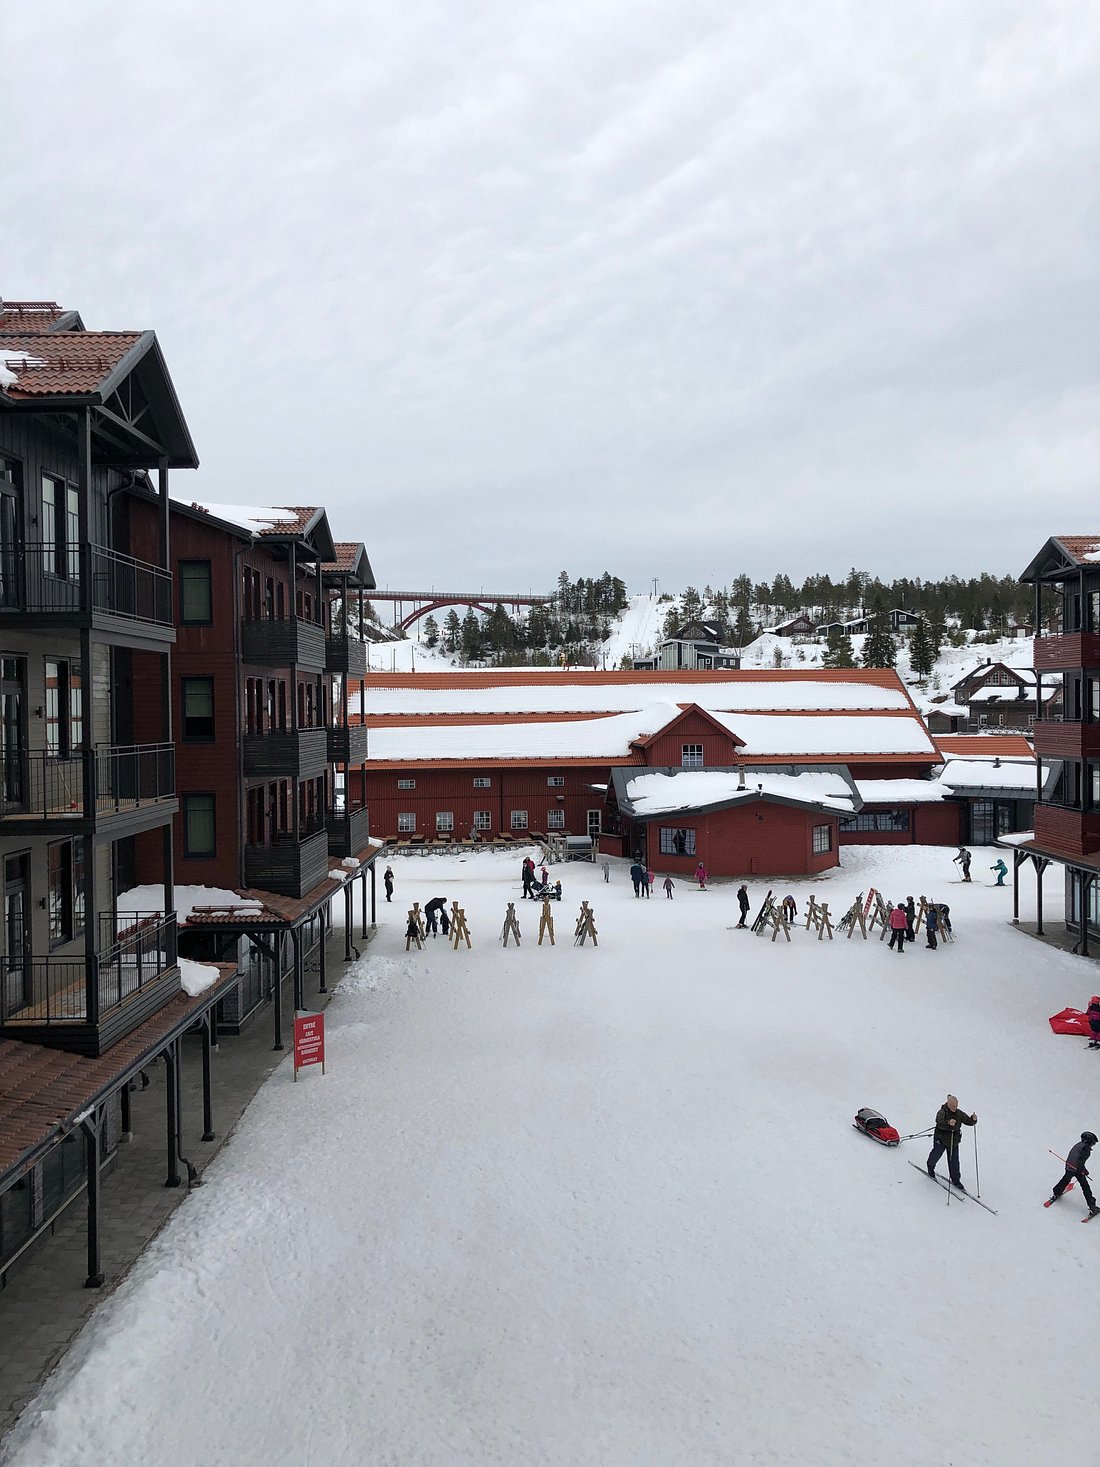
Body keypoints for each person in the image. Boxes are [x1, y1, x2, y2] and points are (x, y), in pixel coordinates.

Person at [926, 1095, 977, 1189]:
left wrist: (973, 1119)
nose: (955, 1108)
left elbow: (968, 1121)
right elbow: (939, 1122)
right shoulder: (942, 1112)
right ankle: (930, 1167)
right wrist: (948, 1123)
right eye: (953, 1106)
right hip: (941, 1139)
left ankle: (956, 1180)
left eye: (956, 1106)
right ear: (948, 1104)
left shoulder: (959, 1113)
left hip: (954, 1140)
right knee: (936, 1155)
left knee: (954, 1161)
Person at [1048, 1132, 1099, 1217]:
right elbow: (1081, 1161)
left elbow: (1075, 1158)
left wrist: (1084, 1170)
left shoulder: (1079, 1145)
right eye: (1093, 1142)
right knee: (1085, 1186)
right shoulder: (1086, 1149)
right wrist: (1081, 1171)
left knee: (1065, 1179)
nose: (1093, 1144)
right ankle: (1092, 1206)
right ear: (1089, 1141)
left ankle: (1057, 1192)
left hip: (1069, 1167)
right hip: (1076, 1169)